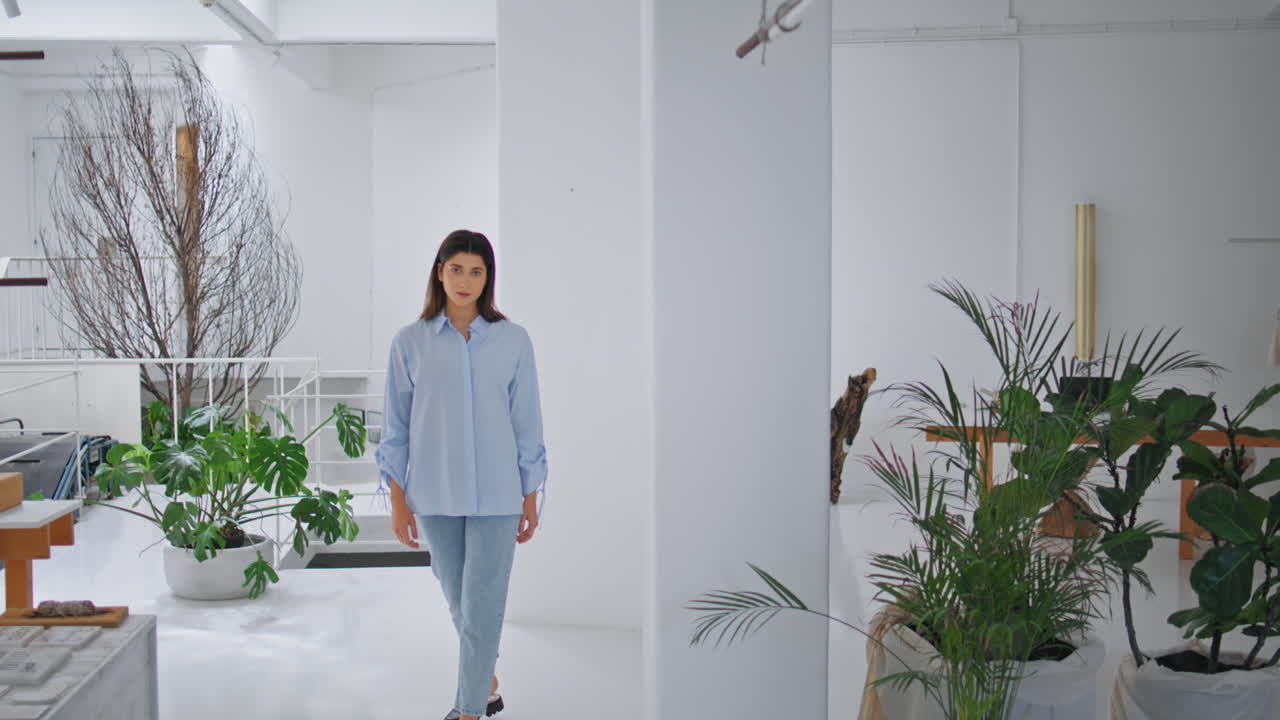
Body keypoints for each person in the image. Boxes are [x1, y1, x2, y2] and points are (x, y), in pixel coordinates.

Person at [376, 229, 547, 720]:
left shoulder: (514, 341)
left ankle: (468, 710)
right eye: (457, 269)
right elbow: (396, 428)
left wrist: (531, 494)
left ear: (488, 278)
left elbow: (526, 421)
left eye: (476, 271)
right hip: (434, 494)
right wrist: (398, 499)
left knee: (483, 604)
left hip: (498, 495)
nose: (466, 280)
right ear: (439, 272)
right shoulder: (409, 343)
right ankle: (486, 685)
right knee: (461, 604)